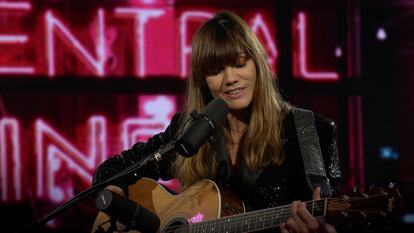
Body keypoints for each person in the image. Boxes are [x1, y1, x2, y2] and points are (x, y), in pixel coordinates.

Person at [92, 11, 342, 233]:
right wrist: (118, 203)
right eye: (215, 70)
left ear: (258, 65)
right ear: (204, 81)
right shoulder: (188, 130)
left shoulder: (310, 131)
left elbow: (335, 219)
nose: (230, 78)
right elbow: (112, 170)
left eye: (239, 63)